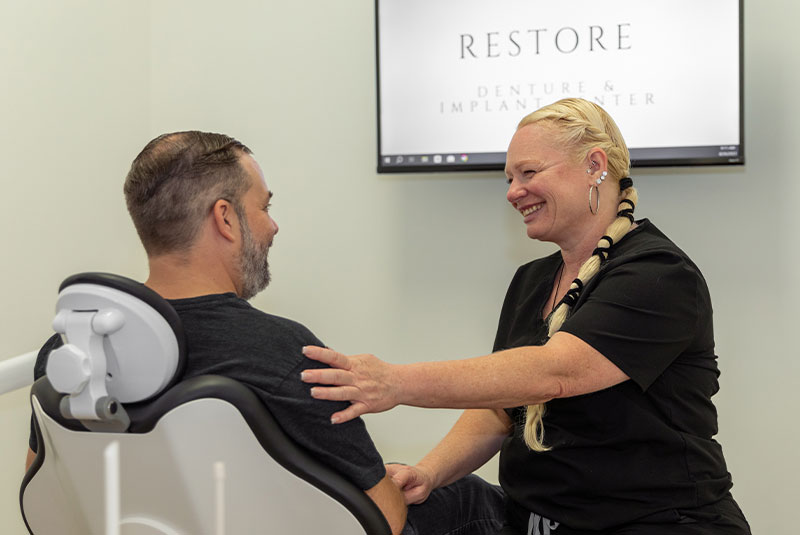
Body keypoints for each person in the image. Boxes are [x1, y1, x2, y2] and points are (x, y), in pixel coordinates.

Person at [300, 99, 751, 534]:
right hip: (535, 519)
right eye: (510, 178)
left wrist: (395, 382)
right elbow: (503, 407)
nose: (513, 192)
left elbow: (555, 373)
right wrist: (429, 472)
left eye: (529, 173)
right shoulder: (532, 280)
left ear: (595, 165)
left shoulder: (658, 274)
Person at [26, 131, 407, 534]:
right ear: (225, 218)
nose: (273, 226)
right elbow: (384, 516)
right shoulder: (283, 351)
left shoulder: (73, 353)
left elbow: (47, 497)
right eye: (264, 207)